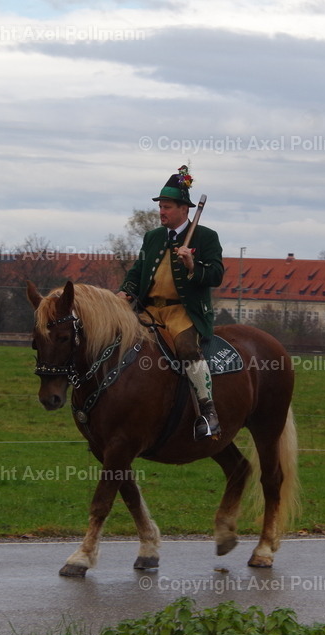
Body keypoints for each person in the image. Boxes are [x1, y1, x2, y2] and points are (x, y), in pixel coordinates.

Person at [117, 166, 224, 439]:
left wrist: (192, 264)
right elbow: (137, 272)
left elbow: (216, 275)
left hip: (182, 312)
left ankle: (207, 410)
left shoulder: (206, 237)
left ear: (184, 210)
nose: (161, 212)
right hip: (149, 309)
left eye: (166, 207)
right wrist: (125, 293)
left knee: (187, 347)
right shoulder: (153, 237)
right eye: (160, 207)